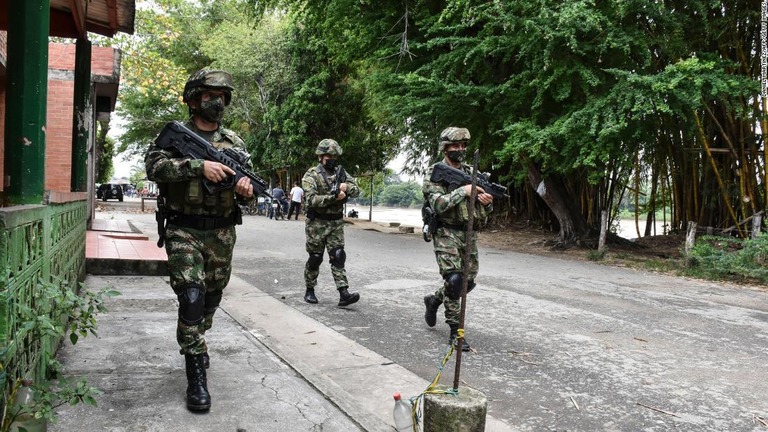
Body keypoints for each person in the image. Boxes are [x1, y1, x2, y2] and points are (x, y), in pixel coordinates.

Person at [145, 69, 254, 412]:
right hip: (183, 228)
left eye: (222, 95)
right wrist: (197, 166)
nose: (217, 101)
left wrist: (245, 191)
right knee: (191, 297)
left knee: (211, 297)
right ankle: (195, 377)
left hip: (222, 231)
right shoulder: (177, 135)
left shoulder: (235, 144)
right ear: (193, 98)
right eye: (209, 94)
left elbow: (248, 196)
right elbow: (153, 167)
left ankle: (198, 339)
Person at [422, 127, 493, 351]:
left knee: (467, 283)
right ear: (445, 147)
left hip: (468, 232)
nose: (460, 150)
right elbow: (438, 204)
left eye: (463, 146)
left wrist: (486, 201)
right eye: (455, 146)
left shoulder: (473, 173)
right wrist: (463, 191)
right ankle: (455, 332)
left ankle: (434, 300)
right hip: (445, 231)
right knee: (454, 281)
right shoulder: (435, 173)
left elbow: (485, 210)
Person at [302, 139, 361, 306]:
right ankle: (310, 289)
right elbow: (312, 200)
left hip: (335, 223)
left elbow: (356, 189)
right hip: (316, 224)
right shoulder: (311, 175)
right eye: (329, 155)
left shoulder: (341, 172)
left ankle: (344, 293)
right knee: (315, 258)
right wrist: (333, 197)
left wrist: (346, 188)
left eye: (335, 156)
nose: (332, 159)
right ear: (320, 156)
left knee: (338, 256)